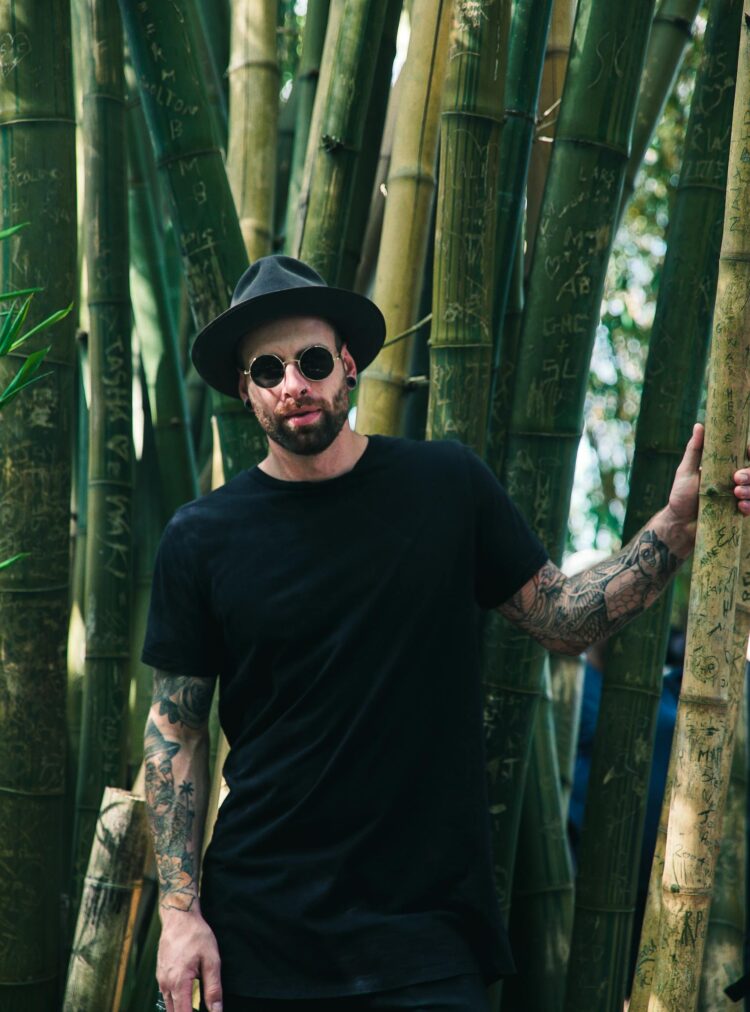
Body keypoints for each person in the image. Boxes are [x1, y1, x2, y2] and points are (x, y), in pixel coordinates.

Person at [141, 255, 750, 1012]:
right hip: (263, 933)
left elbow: (563, 617)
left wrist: (679, 525)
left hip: (425, 934)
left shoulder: (444, 486)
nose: (293, 382)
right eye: (268, 369)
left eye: (313, 359)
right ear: (245, 391)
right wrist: (179, 914)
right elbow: (176, 733)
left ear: (350, 367)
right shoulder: (200, 538)